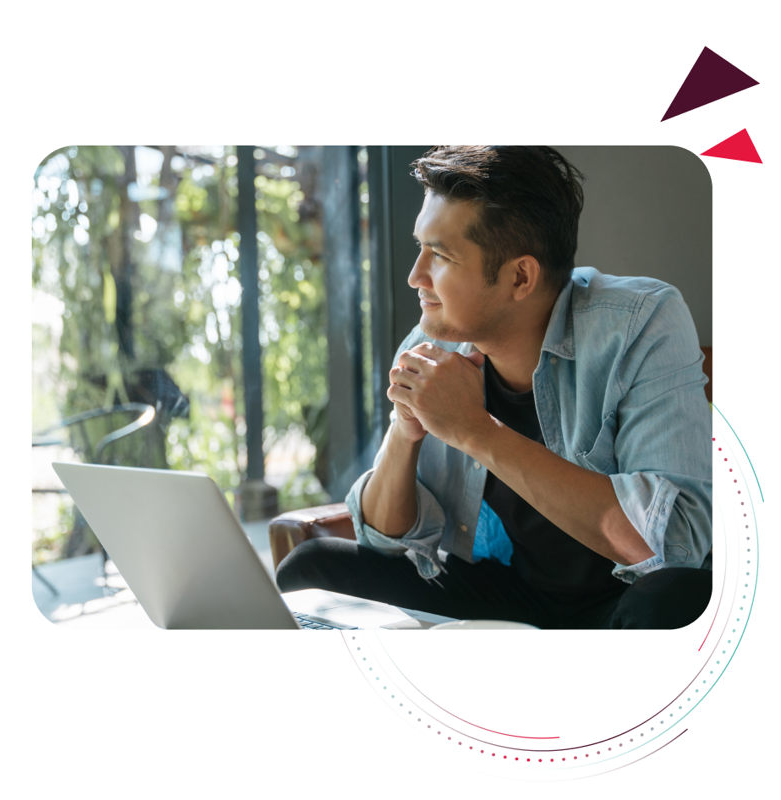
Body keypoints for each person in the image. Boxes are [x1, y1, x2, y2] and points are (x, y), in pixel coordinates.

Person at [276, 145, 712, 629]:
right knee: (312, 570)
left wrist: (476, 431)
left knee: (676, 597)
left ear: (520, 276)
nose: (415, 276)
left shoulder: (641, 323)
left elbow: (676, 546)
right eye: (420, 247)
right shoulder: (434, 340)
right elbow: (384, 541)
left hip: (622, 597)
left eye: (439, 255)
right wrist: (406, 431)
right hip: (515, 592)